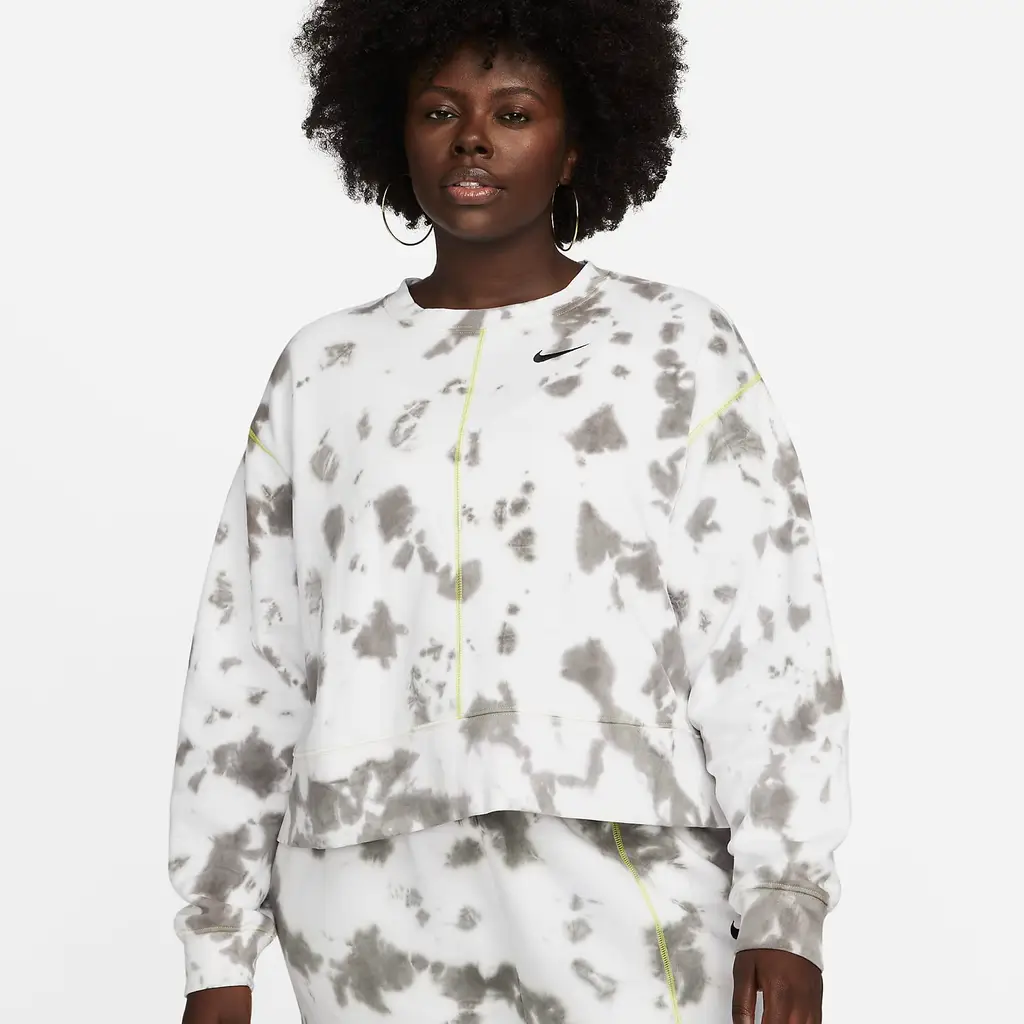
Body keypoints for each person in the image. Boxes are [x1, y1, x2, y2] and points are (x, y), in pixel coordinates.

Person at [168, 2, 851, 1022]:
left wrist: (785, 899)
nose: (473, 138)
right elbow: (248, 659)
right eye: (440, 111)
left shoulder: (674, 347)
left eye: (515, 112)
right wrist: (216, 946)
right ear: (395, 134)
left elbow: (766, 633)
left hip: (624, 876)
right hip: (365, 902)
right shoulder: (325, 368)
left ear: (575, 146)